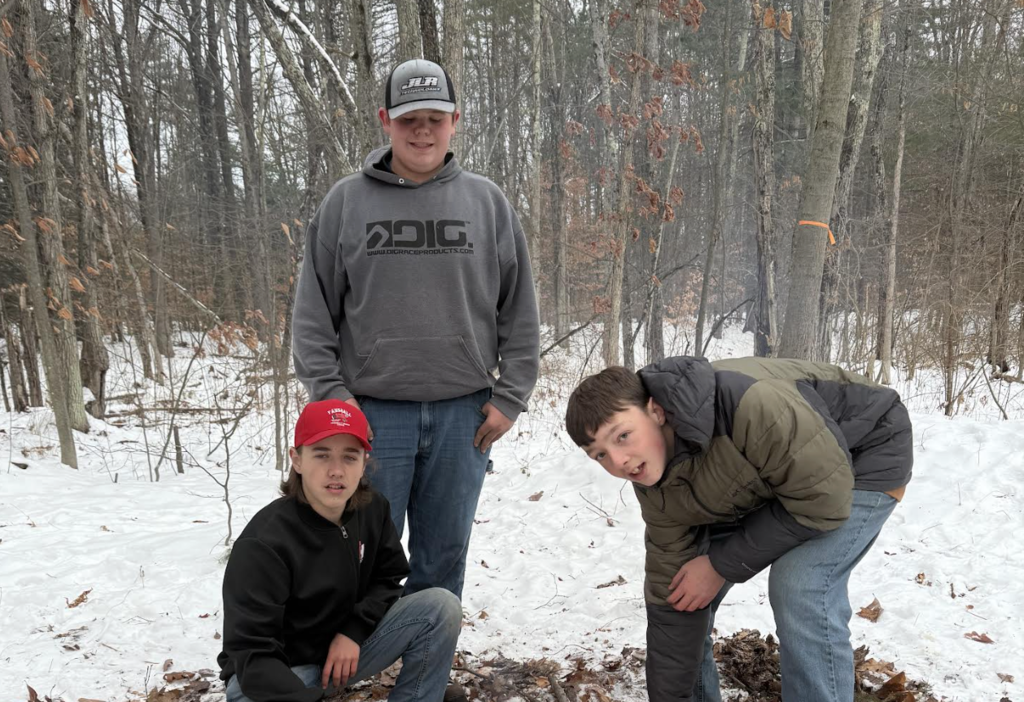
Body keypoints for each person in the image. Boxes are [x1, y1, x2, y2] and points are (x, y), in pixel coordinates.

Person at [292, 58, 540, 599]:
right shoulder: (345, 203)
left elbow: (519, 309)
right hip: (372, 415)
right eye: (408, 119)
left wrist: (511, 396)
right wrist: (333, 398)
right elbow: (313, 315)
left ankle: (425, 673)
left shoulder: (487, 203)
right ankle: (355, 665)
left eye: (434, 117)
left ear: (455, 119)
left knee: (444, 555)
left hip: (465, 414)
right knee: (359, 551)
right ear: (386, 120)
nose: (422, 130)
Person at [565, 356, 913, 702]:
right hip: (777, 474)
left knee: (800, 586)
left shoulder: (750, 404)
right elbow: (668, 601)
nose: (618, 461)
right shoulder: (653, 474)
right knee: (684, 592)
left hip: (865, 449)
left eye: (623, 436)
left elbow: (823, 500)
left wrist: (720, 565)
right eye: (599, 455)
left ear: (656, 412)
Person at [218, 400, 462, 702]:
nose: (336, 471)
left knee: (440, 607)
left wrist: (352, 632)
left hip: (345, 655)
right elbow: (253, 653)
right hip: (284, 672)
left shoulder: (373, 509)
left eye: (350, 457)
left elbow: (388, 577)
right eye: (322, 455)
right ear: (297, 460)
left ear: (364, 463)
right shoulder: (265, 543)